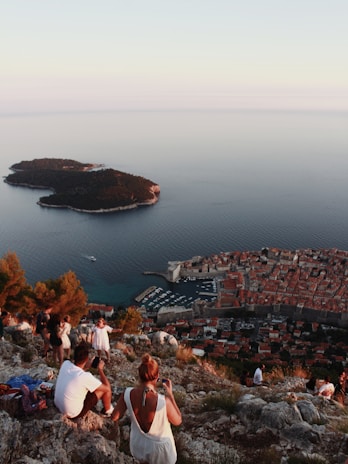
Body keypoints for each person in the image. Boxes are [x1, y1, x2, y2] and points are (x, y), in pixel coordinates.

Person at [111, 353, 182, 464]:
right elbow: (178, 421)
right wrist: (170, 395)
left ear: (140, 375)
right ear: (157, 376)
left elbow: (114, 416)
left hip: (138, 445)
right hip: (160, 452)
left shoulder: (127, 393)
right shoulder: (163, 401)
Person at [54, 342, 113, 419]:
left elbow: (76, 372)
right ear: (87, 359)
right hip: (72, 413)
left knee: (87, 386)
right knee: (103, 390)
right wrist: (100, 370)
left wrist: (86, 366)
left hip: (57, 404)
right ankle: (107, 411)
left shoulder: (65, 364)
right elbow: (107, 388)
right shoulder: (85, 376)